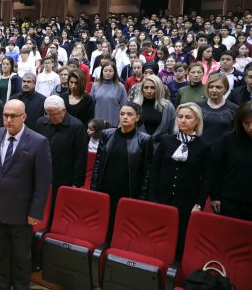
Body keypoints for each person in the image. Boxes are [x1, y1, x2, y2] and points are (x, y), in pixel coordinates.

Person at [0, 99, 52, 290]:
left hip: (21, 211)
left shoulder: (38, 142)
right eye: (5, 115)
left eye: (13, 116)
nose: (8, 120)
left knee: (21, 256)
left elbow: (43, 182)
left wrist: (35, 211)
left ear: (24, 117)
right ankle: (0, 287)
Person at [150, 103, 209, 256]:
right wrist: (152, 197)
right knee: (158, 235)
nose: (183, 120)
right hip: (162, 197)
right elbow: (155, 170)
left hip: (187, 201)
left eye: (188, 117)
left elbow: (207, 178)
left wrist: (199, 203)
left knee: (180, 239)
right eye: (180, 117)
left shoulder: (204, 147)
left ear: (197, 121)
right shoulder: (166, 141)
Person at [91, 102, 153, 230]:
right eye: (122, 114)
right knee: (102, 225)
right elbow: (98, 163)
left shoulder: (145, 139)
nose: (125, 117)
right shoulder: (107, 134)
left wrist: (142, 198)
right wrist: (93, 189)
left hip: (128, 190)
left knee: (121, 226)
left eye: (129, 114)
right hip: (105, 187)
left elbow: (147, 172)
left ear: (137, 118)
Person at [34, 96, 88, 211]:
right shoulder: (41, 122)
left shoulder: (77, 126)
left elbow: (81, 158)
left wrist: (76, 183)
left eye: (54, 114)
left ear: (64, 110)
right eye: (48, 114)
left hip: (64, 176)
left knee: (58, 208)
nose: (51, 118)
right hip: (42, 175)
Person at [209, 102, 252, 221]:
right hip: (230, 200)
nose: (250, 127)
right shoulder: (228, 139)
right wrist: (215, 196)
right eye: (246, 123)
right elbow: (216, 169)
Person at [197, 74, 239, 146]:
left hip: (224, 151)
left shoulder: (234, 109)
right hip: (201, 150)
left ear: (225, 88)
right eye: (211, 87)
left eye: (218, 87)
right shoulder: (198, 107)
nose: (214, 90)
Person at [134, 74, 176, 146]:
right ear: (142, 89)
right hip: (139, 147)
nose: (149, 91)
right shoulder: (136, 105)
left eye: (153, 87)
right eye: (146, 87)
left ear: (159, 89)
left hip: (161, 148)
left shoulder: (168, 106)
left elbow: (173, 130)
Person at [91, 62, 127, 127]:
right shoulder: (95, 85)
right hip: (97, 125)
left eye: (110, 71)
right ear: (102, 72)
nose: (108, 73)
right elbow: (91, 106)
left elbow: (124, 107)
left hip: (114, 125)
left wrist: (121, 124)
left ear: (115, 72)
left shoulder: (120, 86)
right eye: (105, 71)